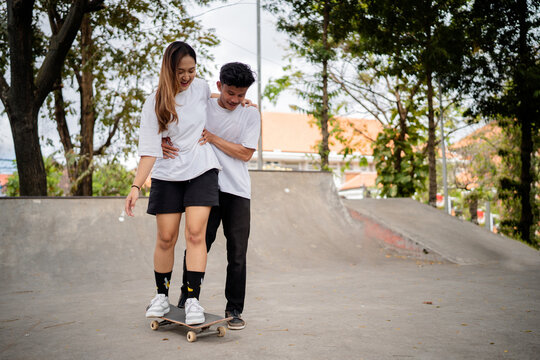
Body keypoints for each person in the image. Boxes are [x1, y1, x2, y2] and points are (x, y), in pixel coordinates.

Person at [125, 41, 221, 325]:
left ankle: (192, 298)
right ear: (169, 69)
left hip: (202, 168)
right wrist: (135, 186)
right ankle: (161, 296)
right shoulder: (154, 102)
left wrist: (236, 101)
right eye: (181, 71)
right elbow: (149, 150)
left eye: (192, 70)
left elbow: (212, 96)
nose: (187, 77)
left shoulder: (201, 87)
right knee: (166, 237)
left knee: (195, 234)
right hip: (167, 174)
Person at [162, 62, 260, 330]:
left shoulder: (250, 114)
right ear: (219, 86)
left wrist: (214, 138)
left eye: (241, 95)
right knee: (197, 242)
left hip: (238, 190)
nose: (235, 100)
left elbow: (245, 153)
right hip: (206, 186)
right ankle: (186, 299)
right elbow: (176, 117)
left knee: (237, 252)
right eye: (230, 93)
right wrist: (160, 139)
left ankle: (235, 308)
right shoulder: (204, 104)